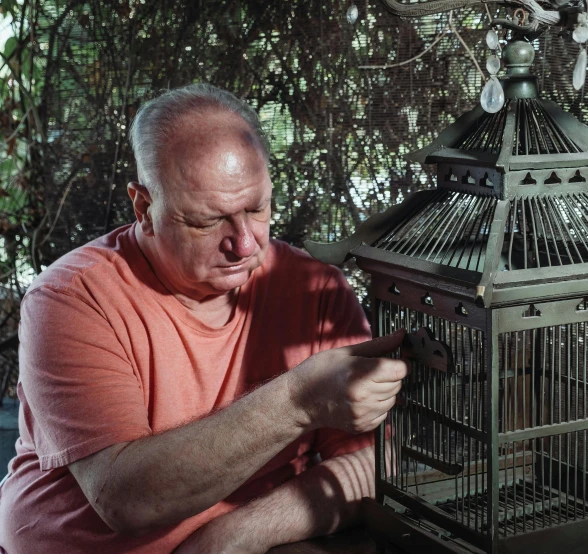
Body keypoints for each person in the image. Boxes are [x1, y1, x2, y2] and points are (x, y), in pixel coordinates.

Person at [0, 84, 408, 553]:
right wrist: (298, 399)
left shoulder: (314, 290)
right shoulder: (71, 298)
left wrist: (232, 537)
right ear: (145, 208)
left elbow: (374, 463)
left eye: (257, 209)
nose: (245, 243)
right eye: (207, 221)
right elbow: (126, 500)